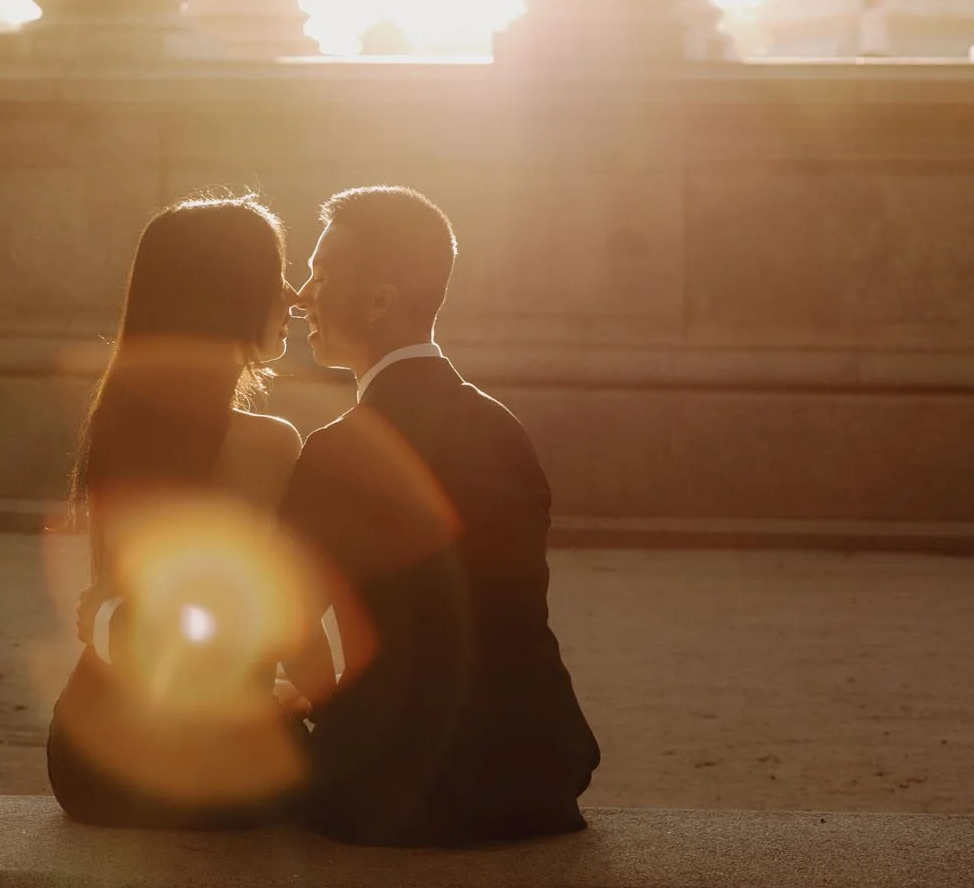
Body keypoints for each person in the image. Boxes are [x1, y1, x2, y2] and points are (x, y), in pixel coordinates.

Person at [281, 185, 600, 846]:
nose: (300, 296)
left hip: (389, 785)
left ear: (379, 302)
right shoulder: (502, 430)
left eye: (319, 276)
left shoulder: (338, 451)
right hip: (534, 774)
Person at [46, 195, 320, 829]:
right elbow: (291, 625)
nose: (293, 295)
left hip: (88, 760)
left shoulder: (119, 423)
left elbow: (118, 610)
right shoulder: (270, 444)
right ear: (231, 292)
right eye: (275, 273)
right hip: (210, 767)